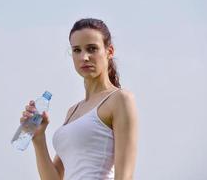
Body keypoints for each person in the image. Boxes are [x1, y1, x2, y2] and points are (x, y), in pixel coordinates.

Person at [21, 18, 138, 180]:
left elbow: (125, 177)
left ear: (109, 52)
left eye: (92, 49)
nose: (84, 57)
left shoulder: (120, 99)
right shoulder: (73, 111)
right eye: (77, 50)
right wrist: (38, 138)